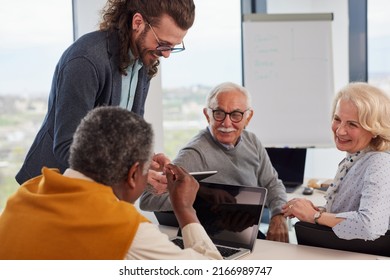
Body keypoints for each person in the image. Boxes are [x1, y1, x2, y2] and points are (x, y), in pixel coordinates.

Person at [0, 107, 222, 260]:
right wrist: (185, 209)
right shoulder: (125, 229)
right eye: (145, 170)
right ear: (133, 173)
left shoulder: (23, 197)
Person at [15, 0, 195, 186]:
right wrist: (129, 175)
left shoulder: (143, 61)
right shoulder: (85, 60)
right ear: (138, 23)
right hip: (50, 190)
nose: (166, 55)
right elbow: (67, 148)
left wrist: (144, 163)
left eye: (173, 47)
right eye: (163, 44)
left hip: (93, 192)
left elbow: (123, 138)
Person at [140, 82, 290, 243]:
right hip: (212, 240)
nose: (226, 123)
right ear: (207, 115)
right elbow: (148, 200)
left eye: (236, 114)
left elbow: (272, 183)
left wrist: (278, 215)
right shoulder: (194, 153)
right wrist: (203, 194)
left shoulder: (251, 141)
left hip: (249, 235)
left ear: (248, 117)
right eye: (219, 113)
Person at [282, 82, 390, 241]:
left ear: (374, 129)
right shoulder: (354, 158)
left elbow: (370, 226)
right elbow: (350, 210)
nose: (340, 130)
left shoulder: (379, 163)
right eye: (337, 119)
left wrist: (315, 215)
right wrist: (313, 210)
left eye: (352, 124)